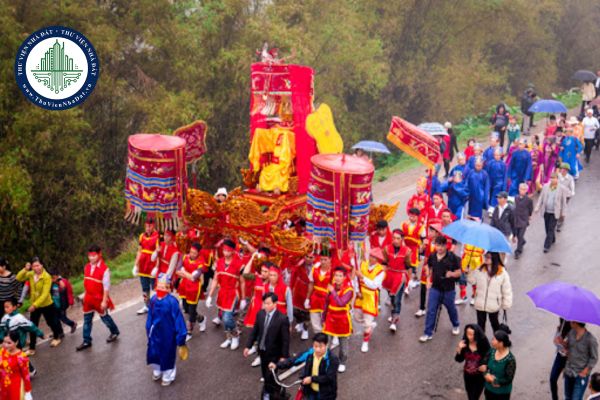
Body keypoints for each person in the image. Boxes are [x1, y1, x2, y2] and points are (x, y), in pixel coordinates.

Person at [243, 292, 290, 400]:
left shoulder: (282, 319)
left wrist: (284, 356)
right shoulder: (260, 314)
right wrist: (248, 346)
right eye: (265, 303)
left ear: (275, 304)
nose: (266, 306)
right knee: (266, 374)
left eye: (268, 303)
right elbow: (255, 331)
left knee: (269, 375)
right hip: (262, 351)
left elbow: (285, 340)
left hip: (275, 354)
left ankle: (267, 394)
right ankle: (279, 390)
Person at [146, 273, 187, 386]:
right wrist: (148, 328)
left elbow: (179, 320)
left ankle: (168, 375)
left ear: (168, 288)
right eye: (159, 286)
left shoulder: (172, 302)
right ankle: (157, 369)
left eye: (163, 287)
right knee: (154, 351)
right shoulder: (153, 300)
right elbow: (150, 315)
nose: (161, 288)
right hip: (155, 333)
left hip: (168, 333)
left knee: (167, 353)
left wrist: (181, 338)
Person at [76, 245, 120, 351]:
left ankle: (114, 332)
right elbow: (87, 283)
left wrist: (104, 301)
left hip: (99, 299)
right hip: (88, 299)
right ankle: (87, 340)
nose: (91, 258)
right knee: (87, 320)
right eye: (89, 256)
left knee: (105, 318)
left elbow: (106, 287)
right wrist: (83, 295)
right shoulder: (86, 267)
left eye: (94, 255)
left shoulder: (105, 270)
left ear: (99, 254)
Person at [272, 332, 339, 400]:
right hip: (310, 392)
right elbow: (295, 360)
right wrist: (277, 365)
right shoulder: (310, 353)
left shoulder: (332, 359)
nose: (317, 349)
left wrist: (311, 379)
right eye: (315, 346)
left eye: (320, 346)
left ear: (326, 345)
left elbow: (328, 377)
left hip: (326, 395)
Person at [419, 236, 461, 343]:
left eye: (442, 245)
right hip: (435, 288)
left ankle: (455, 324)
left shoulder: (453, 258)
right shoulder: (432, 256)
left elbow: (459, 272)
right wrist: (428, 278)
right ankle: (428, 332)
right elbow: (428, 266)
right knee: (431, 310)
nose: (440, 248)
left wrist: (451, 274)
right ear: (435, 245)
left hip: (448, 290)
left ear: (446, 246)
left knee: (451, 309)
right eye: (438, 245)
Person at [16, 257, 63, 353]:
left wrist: (35, 305)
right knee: (32, 325)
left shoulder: (47, 276)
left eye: (37, 265)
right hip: (35, 305)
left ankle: (57, 337)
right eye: (33, 266)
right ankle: (32, 348)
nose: (35, 268)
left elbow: (45, 294)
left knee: (51, 322)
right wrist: (25, 269)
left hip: (46, 304)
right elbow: (18, 277)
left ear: (42, 265)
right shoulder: (31, 274)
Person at [206, 239, 244, 350]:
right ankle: (228, 338)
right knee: (223, 316)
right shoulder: (219, 262)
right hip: (222, 292)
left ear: (233, 251)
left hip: (233, 293)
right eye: (224, 250)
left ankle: (235, 335)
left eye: (228, 250)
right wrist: (210, 296)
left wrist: (242, 299)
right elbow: (215, 279)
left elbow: (242, 282)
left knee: (227, 317)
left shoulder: (238, 264)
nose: (225, 253)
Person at [468, 253, 513, 334]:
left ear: (494, 258)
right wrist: (470, 271)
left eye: (488, 257)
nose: (486, 258)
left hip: (493, 305)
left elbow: (507, 290)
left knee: (495, 324)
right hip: (480, 303)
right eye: (485, 256)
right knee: (480, 326)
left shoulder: (502, 272)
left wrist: (506, 304)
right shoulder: (480, 269)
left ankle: (498, 343)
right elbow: (472, 281)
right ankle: (481, 344)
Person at [0, 298, 43, 377]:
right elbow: (1, 329)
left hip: (17, 342)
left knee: (19, 356)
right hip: (8, 342)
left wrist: (39, 333)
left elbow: (30, 326)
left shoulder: (19, 318)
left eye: (7, 307)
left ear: (14, 307)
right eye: (4, 307)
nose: (5, 309)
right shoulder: (5, 318)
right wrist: (1, 337)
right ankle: (18, 371)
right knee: (14, 356)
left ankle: (31, 370)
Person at [322, 267, 353, 372]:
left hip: (342, 319)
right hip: (330, 318)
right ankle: (326, 361)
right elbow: (326, 303)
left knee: (343, 344)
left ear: (344, 277)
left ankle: (342, 361)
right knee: (327, 343)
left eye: (340, 276)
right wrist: (323, 318)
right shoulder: (330, 288)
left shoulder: (349, 290)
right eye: (336, 275)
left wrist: (333, 292)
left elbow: (340, 303)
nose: (338, 278)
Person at [175, 242, 208, 342]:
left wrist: (184, 272)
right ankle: (201, 319)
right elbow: (177, 270)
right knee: (186, 308)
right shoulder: (184, 257)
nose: (192, 254)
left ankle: (189, 331)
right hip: (184, 285)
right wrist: (187, 275)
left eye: (194, 253)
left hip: (194, 288)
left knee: (192, 310)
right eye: (191, 252)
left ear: (198, 253)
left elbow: (194, 278)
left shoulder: (201, 263)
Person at [354, 249, 384, 353]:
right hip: (361, 295)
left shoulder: (380, 271)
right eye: (371, 255)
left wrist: (362, 277)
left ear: (378, 260)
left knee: (367, 323)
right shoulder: (362, 264)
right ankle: (369, 324)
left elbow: (374, 285)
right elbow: (356, 279)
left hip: (370, 297)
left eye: (374, 257)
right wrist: (357, 291)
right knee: (357, 318)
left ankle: (365, 341)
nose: (371, 258)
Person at [382, 229, 411, 328]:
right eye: (394, 238)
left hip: (399, 276)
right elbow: (385, 262)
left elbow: (408, 266)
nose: (395, 240)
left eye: (398, 238)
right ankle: (393, 312)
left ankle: (395, 319)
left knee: (397, 299)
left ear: (402, 239)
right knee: (392, 297)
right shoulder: (386, 249)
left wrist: (408, 282)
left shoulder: (407, 251)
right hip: (389, 275)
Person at [563, 322, 598, 400]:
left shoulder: (591, 340)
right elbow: (567, 348)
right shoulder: (571, 333)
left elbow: (594, 358)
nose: (570, 321)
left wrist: (585, 371)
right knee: (567, 397)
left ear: (576, 323)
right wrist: (563, 344)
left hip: (580, 376)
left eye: (572, 320)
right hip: (569, 372)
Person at [455, 324, 491, 400]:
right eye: (468, 334)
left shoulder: (482, 343)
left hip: (480, 376)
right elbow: (459, 359)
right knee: (470, 394)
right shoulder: (464, 344)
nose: (470, 337)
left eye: (472, 334)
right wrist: (459, 349)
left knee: (475, 396)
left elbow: (489, 357)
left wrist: (485, 366)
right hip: (467, 375)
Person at [535, 173, 568, 253]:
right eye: (551, 178)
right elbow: (541, 198)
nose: (552, 180)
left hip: (554, 212)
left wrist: (563, 212)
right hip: (546, 211)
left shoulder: (562, 189)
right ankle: (552, 238)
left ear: (557, 179)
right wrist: (537, 207)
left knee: (550, 228)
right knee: (547, 228)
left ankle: (546, 246)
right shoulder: (546, 187)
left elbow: (564, 202)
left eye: (554, 178)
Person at [133, 218, 159, 315]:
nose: (148, 228)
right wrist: (136, 265)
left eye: (150, 226)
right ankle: (146, 305)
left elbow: (159, 252)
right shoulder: (141, 236)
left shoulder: (157, 236)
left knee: (155, 287)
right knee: (144, 287)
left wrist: (157, 266)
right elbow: (139, 251)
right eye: (146, 226)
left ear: (154, 226)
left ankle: (157, 305)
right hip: (143, 265)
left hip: (152, 264)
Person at [483, 325, 516, 399]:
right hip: (489, 389)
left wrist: (494, 380)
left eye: (494, 340)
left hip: (502, 393)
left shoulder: (510, 359)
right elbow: (483, 364)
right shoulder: (492, 351)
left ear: (501, 343)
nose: (492, 341)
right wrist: (486, 374)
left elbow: (508, 379)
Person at [305, 246, 332, 334]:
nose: (323, 262)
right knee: (315, 323)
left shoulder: (334, 271)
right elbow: (311, 283)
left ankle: (326, 342)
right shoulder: (315, 268)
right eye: (321, 259)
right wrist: (307, 298)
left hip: (327, 299)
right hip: (315, 298)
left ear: (330, 259)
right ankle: (319, 341)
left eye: (325, 260)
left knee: (327, 323)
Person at [0, 331, 33, 400]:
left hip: (15, 387)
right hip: (3, 385)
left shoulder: (21, 357)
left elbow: (26, 375)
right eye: (4, 342)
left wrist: (28, 391)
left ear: (16, 342)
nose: (5, 345)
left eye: (9, 343)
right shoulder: (3, 351)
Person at [400, 208, 426, 289]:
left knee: (413, 266)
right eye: (410, 216)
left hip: (415, 249)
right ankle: (407, 281)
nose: (412, 218)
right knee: (405, 265)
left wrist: (422, 248)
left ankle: (412, 279)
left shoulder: (421, 227)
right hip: (405, 248)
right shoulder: (404, 224)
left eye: (414, 217)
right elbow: (401, 236)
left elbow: (424, 238)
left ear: (417, 217)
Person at [550, 319, 572, 400]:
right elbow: (555, 342)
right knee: (552, 378)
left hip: (571, 360)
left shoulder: (575, 331)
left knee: (568, 385)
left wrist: (564, 345)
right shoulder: (561, 327)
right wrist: (557, 341)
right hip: (560, 356)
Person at [512, 183, 533, 259]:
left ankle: (518, 251)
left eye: (524, 189)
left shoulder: (529, 200)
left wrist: (529, 216)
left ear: (526, 190)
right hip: (516, 219)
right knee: (517, 234)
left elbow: (530, 209)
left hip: (524, 220)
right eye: (521, 189)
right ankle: (523, 241)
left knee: (520, 235)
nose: (522, 191)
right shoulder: (516, 198)